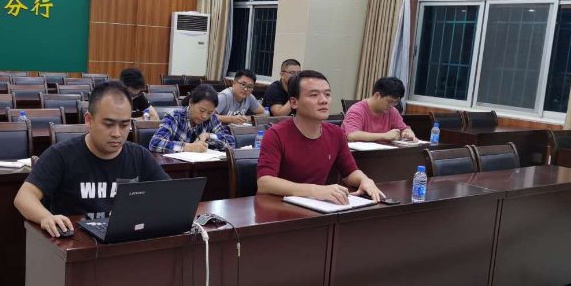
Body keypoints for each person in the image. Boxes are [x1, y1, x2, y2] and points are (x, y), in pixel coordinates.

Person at [14, 80, 170, 238]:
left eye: (124, 125)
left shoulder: (139, 156)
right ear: (89, 120)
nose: (117, 133)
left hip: (123, 240)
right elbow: (24, 197)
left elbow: (170, 195)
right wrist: (46, 217)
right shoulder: (60, 155)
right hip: (74, 241)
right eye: (108, 124)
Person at [257, 70, 384, 204]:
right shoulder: (276, 134)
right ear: (294, 102)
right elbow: (264, 182)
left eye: (327, 94)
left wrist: (365, 180)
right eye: (314, 95)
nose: (323, 100)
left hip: (316, 208)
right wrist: (314, 190)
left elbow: (350, 173)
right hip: (278, 206)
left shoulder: (335, 133)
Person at [149, 84, 235, 154]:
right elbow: (155, 143)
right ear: (191, 103)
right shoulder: (175, 117)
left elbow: (230, 142)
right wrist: (189, 147)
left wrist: (207, 136)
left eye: (209, 112)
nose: (205, 116)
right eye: (201, 110)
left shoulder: (212, 119)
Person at [342, 77, 416, 142]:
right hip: (359, 153)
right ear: (377, 95)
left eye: (395, 102)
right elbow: (352, 135)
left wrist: (408, 133)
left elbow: (404, 128)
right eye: (389, 102)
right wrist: (384, 136)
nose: (391, 106)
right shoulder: (356, 110)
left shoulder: (392, 111)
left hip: (383, 152)